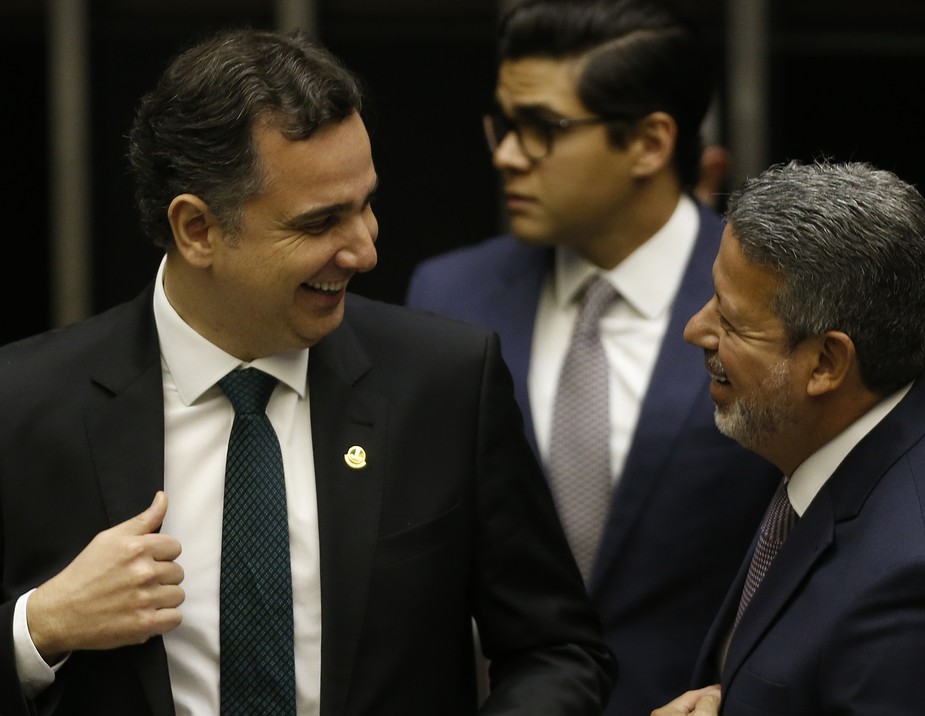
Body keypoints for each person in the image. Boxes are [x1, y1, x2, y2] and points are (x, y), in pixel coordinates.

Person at [0, 28, 617, 716]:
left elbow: (558, 651)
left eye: (366, 205)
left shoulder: (444, 383)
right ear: (198, 230)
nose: (365, 249)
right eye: (321, 222)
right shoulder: (23, 404)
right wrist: (39, 627)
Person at [404, 0, 779, 713]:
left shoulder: (766, 294)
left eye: (542, 129)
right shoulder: (451, 294)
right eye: (504, 124)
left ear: (648, 142)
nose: (507, 153)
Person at [653, 159, 925, 714]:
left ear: (827, 362)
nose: (695, 330)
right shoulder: (840, 446)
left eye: (731, 322)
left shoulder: (919, 581)